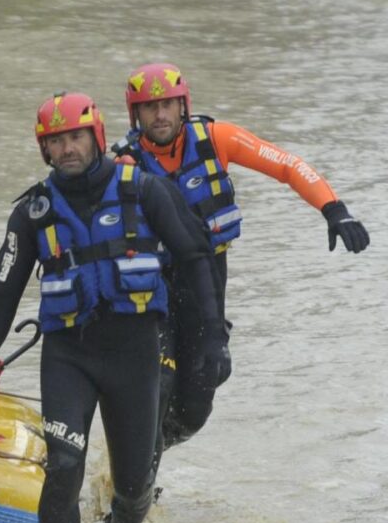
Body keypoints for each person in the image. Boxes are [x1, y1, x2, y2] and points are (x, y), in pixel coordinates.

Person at [0, 92, 217, 523]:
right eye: (57, 141)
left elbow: (195, 257)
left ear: (96, 136)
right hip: (69, 356)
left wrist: (212, 337)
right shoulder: (32, 213)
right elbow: (1, 297)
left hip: (135, 355)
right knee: (64, 462)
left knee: (135, 489)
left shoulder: (146, 190)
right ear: (45, 150)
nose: (68, 148)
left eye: (76, 136)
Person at [114, 62, 368, 449]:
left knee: (195, 408)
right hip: (151, 293)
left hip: (206, 289)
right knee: (159, 382)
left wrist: (334, 210)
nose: (160, 115)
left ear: (183, 106)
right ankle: (133, 486)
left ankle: (144, 457)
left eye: (168, 105)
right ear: (136, 114)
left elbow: (287, 165)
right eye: (150, 107)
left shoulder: (217, 138)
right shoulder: (122, 165)